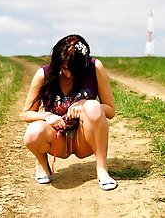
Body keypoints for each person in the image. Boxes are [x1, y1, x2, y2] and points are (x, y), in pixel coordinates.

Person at [22, 34, 117, 191]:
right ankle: (41, 161)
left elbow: (110, 110)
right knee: (33, 132)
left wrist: (85, 104)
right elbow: (26, 114)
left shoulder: (95, 67)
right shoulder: (43, 74)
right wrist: (47, 116)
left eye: (75, 69)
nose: (69, 74)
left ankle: (102, 169)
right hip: (58, 140)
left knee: (93, 107)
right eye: (65, 68)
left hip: (83, 139)